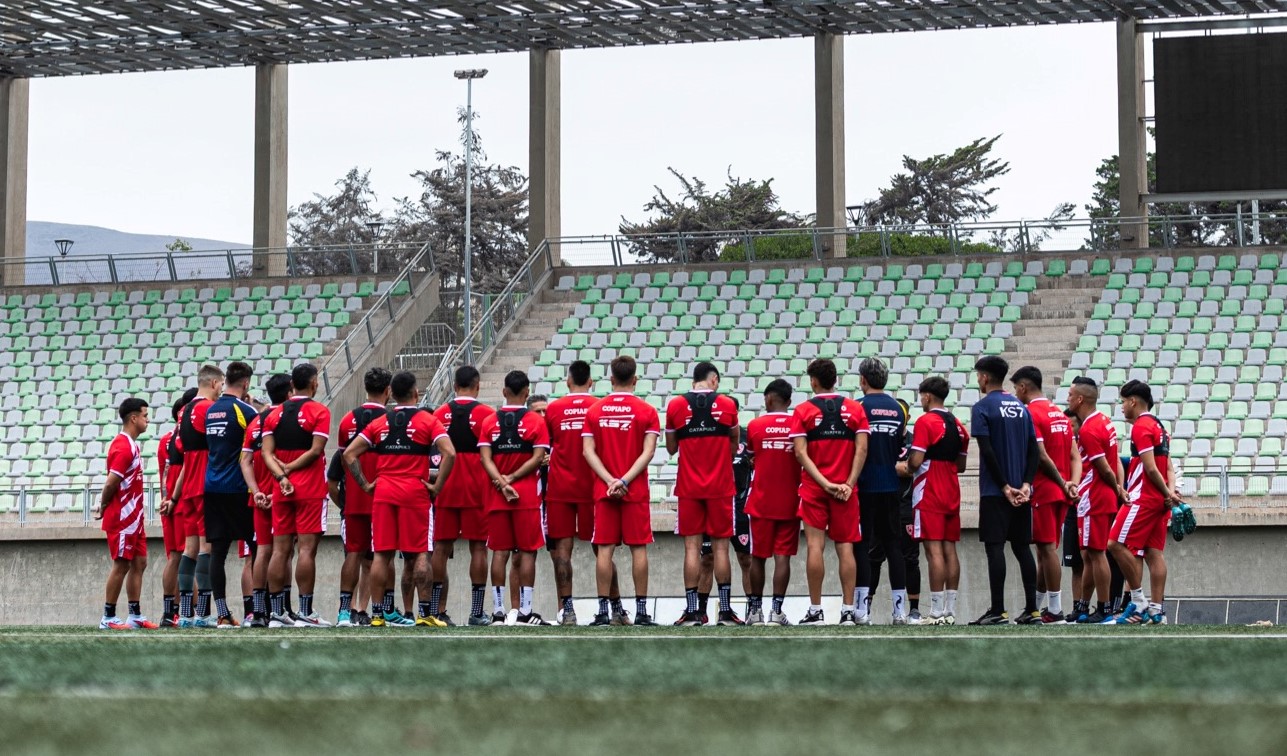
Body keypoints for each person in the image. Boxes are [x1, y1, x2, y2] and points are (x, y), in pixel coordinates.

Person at [344, 371, 457, 628]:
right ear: (416, 393)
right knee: (419, 553)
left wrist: (365, 485)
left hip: (384, 492)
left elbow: (350, 454)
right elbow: (449, 453)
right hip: (414, 492)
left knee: (382, 555)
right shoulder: (427, 420)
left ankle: (376, 615)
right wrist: (437, 486)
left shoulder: (380, 422)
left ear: (391, 395)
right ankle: (426, 613)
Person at [544, 360, 624, 625]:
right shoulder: (600, 406)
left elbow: (547, 448)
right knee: (602, 551)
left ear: (568, 381)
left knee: (562, 553)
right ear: (591, 382)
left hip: (560, 489)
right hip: (593, 488)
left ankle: (567, 611)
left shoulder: (553, 409)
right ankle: (616, 609)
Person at [789, 358, 869, 626]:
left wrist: (824, 484)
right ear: (835, 379)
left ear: (813, 381)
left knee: (815, 546)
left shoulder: (803, 411)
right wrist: (848, 483)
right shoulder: (855, 409)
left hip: (815, 489)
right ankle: (848, 611)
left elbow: (800, 453)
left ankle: (816, 610)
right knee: (845, 548)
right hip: (846, 491)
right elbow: (862, 449)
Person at [582, 355, 660, 627]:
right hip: (634, 491)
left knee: (604, 550)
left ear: (611, 379)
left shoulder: (595, 411)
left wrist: (609, 481)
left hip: (605, 492)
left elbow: (587, 452)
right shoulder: (647, 411)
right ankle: (641, 612)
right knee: (638, 550)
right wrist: (624, 481)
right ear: (635, 379)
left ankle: (603, 612)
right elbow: (648, 452)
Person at [666, 362, 742, 626]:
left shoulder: (675, 405)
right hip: (721, 486)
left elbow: (672, 448)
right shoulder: (728, 405)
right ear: (714, 380)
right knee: (721, 549)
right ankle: (725, 612)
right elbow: (734, 445)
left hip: (689, 486)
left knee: (691, 549)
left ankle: (692, 612)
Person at [969, 356, 1041, 626]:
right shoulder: (1022, 408)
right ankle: (1033, 609)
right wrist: (1026, 484)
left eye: (978, 375)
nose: (978, 380)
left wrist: (1004, 486)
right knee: (1022, 548)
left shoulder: (982, 407)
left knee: (995, 548)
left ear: (985, 377)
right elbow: (1034, 450)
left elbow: (987, 451)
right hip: (1022, 491)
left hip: (995, 491)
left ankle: (998, 610)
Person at [478, 371, 552, 626]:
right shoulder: (536, 422)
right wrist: (512, 479)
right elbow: (537, 458)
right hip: (527, 496)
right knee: (529, 553)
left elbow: (485, 459)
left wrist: (500, 481)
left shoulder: (489, 422)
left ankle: (498, 612)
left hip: (497, 496)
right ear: (527, 393)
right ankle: (525, 612)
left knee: (500, 553)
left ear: (503, 391)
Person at [262, 363, 333, 628]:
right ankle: (305, 611)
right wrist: (291, 469)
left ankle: (277, 613)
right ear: (314, 382)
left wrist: (281, 477)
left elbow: (267, 453)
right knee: (306, 550)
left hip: (281, 489)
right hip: (311, 490)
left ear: (293, 384)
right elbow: (316, 451)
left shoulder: (274, 414)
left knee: (280, 550)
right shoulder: (319, 411)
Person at [1011, 366, 1081, 624]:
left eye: (1015, 388)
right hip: (1062, 492)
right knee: (1045, 551)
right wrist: (1072, 483)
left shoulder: (1031, 413)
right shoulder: (1060, 415)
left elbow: (1040, 455)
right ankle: (1036, 608)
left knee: (1046, 550)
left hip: (1045, 489)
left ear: (1023, 387)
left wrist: (1063, 483)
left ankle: (1055, 610)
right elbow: (1075, 455)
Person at [898, 377, 969, 625]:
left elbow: (915, 462)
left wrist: (903, 467)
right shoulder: (959, 425)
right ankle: (950, 610)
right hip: (951, 488)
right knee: (950, 549)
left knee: (933, 550)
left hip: (929, 490)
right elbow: (961, 465)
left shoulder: (927, 422)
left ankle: (936, 611)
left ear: (927, 396)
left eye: (921, 396)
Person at [1107, 380, 1177, 625]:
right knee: (1152, 553)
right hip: (1158, 500)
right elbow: (1167, 466)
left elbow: (1150, 468)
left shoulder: (1141, 426)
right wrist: (1169, 493)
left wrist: (1166, 494)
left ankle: (1137, 601)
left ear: (1133, 401)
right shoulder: (1160, 427)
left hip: (1144, 498)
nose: (1122, 407)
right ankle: (1157, 611)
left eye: (1123, 402)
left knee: (1115, 544)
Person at [432, 366, 496, 625]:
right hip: (477, 488)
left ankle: (435, 610)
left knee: (441, 547)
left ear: (454, 386)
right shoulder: (487, 415)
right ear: (477, 386)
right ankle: (477, 612)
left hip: (445, 485)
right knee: (479, 547)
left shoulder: (438, 414)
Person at [330, 367, 392, 627]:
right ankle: (368, 610)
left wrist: (345, 502)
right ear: (388, 391)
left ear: (365, 388)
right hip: (383, 500)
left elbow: (343, 460)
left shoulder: (347, 421)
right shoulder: (391, 420)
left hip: (354, 500)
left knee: (353, 555)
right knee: (376, 558)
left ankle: (346, 611)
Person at [202, 361, 258, 629]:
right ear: (245, 383)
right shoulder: (246, 411)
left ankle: (223, 613)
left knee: (218, 553)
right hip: (238, 489)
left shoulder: (210, 410)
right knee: (258, 549)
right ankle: (257, 611)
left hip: (211, 488)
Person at [855, 357, 910, 625]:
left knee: (863, 547)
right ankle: (899, 611)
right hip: (891, 486)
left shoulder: (857, 408)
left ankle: (861, 610)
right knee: (894, 548)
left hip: (864, 486)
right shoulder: (898, 409)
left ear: (863, 380)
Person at [1066, 376, 1124, 624]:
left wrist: (1118, 489)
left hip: (1095, 497)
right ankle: (1083, 606)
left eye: (1070, 395)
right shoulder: (1104, 422)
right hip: (1098, 496)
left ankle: (1105, 608)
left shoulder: (1089, 429)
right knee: (1089, 554)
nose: (1067, 399)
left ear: (1080, 399)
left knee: (1097, 553)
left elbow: (1105, 469)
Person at [743, 379, 801, 626]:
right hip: (789, 501)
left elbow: (750, 458)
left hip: (761, 502)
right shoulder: (798, 426)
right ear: (788, 401)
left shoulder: (755, 426)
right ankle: (776, 612)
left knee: (758, 557)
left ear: (768, 399)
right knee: (782, 558)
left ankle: (755, 611)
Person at [96, 398, 156, 630]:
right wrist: (102, 505)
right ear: (133, 418)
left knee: (140, 563)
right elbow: (112, 483)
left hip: (134, 519)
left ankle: (135, 615)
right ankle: (108, 617)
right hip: (122, 518)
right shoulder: (123, 446)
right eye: (145, 415)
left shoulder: (132, 445)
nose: (147, 420)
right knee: (121, 565)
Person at [171, 364, 223, 627]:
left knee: (189, 549)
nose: (221, 389)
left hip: (189, 483)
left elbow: (180, 446)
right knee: (206, 548)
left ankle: (185, 615)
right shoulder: (208, 409)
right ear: (214, 383)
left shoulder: (184, 409)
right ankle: (202, 613)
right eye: (221, 384)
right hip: (205, 483)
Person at [239, 373, 292, 628]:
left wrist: (256, 491)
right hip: (282, 495)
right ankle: (283, 609)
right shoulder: (285, 420)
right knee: (285, 552)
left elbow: (245, 461)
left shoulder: (256, 423)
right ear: (290, 391)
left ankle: (259, 612)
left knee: (262, 551)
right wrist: (273, 491)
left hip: (258, 497)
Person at [157, 387, 197, 628]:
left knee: (176, 557)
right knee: (187, 557)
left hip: (169, 503)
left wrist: (165, 499)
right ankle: (182, 612)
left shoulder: (165, 440)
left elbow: (164, 472)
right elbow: (184, 469)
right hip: (182, 501)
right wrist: (173, 498)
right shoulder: (186, 439)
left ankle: (172, 611)